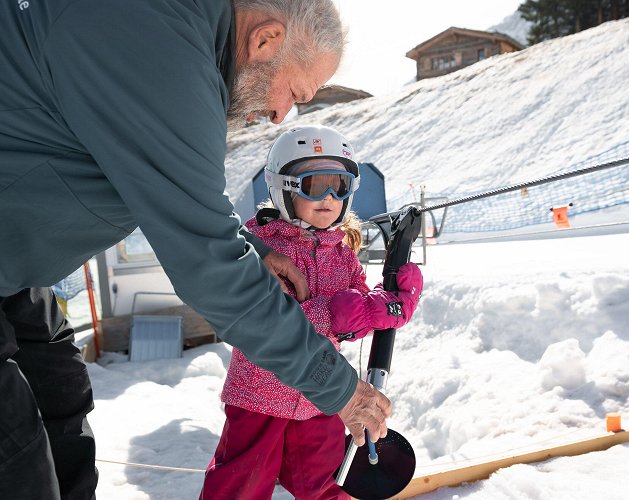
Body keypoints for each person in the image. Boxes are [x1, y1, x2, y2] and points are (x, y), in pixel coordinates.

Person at [0, 1, 391, 498]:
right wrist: (339, 389)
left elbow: (173, 189)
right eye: (293, 92)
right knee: (15, 463)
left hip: (15, 271)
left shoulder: (173, 32)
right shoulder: (161, 49)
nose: (279, 116)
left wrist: (249, 244)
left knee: (60, 395)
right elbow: (212, 269)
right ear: (266, 40)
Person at [200, 125, 423, 499]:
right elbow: (271, 320)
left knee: (326, 478)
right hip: (261, 394)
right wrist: (334, 313)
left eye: (340, 184)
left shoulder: (342, 251)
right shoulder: (262, 248)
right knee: (242, 481)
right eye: (314, 185)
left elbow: (358, 312)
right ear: (282, 188)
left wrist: (391, 301)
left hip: (321, 395)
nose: (330, 197)